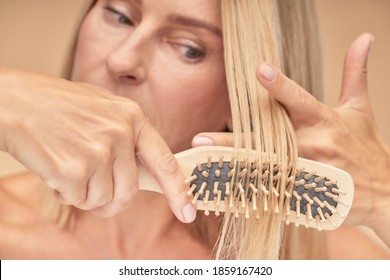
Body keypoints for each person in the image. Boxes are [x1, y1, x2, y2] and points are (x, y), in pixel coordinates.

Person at [0, 0, 389, 259]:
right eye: (119, 14)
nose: (122, 59)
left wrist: (383, 199)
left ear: (242, 96)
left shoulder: (326, 261)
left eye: (188, 47)